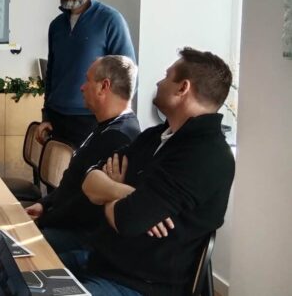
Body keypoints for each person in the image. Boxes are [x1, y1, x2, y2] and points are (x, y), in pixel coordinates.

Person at [77, 48, 235, 295]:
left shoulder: (206, 156)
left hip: (139, 284)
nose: (159, 82)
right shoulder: (154, 136)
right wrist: (129, 194)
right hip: (101, 260)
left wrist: (111, 196)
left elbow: (126, 220)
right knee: (19, 272)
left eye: (166, 76)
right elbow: (88, 181)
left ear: (182, 88)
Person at [25, 56, 141, 255]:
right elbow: (72, 183)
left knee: (8, 249)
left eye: (87, 80)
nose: (82, 87)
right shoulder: (105, 126)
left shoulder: (119, 136)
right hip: (64, 225)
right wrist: (44, 204)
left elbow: (86, 207)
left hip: (80, 239)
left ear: (104, 86)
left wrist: (43, 221)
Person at [37, 0, 135, 147]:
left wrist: (111, 122)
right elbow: (51, 75)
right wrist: (46, 116)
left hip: (92, 120)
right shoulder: (56, 26)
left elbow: (128, 76)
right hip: (57, 119)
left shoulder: (111, 20)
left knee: (86, 168)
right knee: (55, 168)